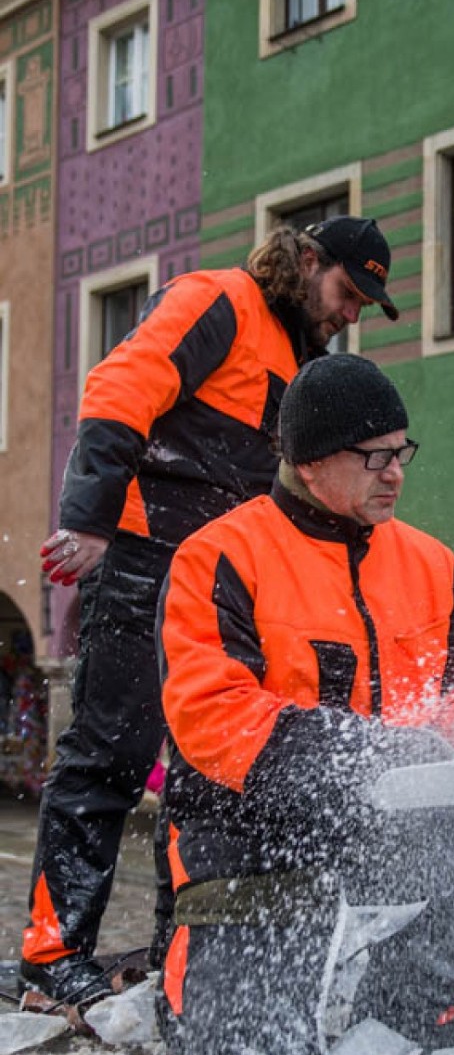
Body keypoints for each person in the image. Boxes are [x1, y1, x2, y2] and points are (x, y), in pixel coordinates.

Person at [154, 353, 454, 1055]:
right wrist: (362, 753)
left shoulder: (430, 564)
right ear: (309, 462)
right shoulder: (220, 556)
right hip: (250, 832)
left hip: (391, 819)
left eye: (403, 451)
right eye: (374, 457)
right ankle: (199, 990)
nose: (395, 472)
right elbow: (212, 715)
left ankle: (404, 1003)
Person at [20, 217, 400, 1008]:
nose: (351, 314)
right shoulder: (218, 302)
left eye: (365, 304)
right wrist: (89, 517)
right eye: (347, 292)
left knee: (203, 771)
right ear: (308, 261)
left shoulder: (304, 365)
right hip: (142, 560)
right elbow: (119, 387)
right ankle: (51, 957)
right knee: (108, 755)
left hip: (225, 584)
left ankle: (176, 949)